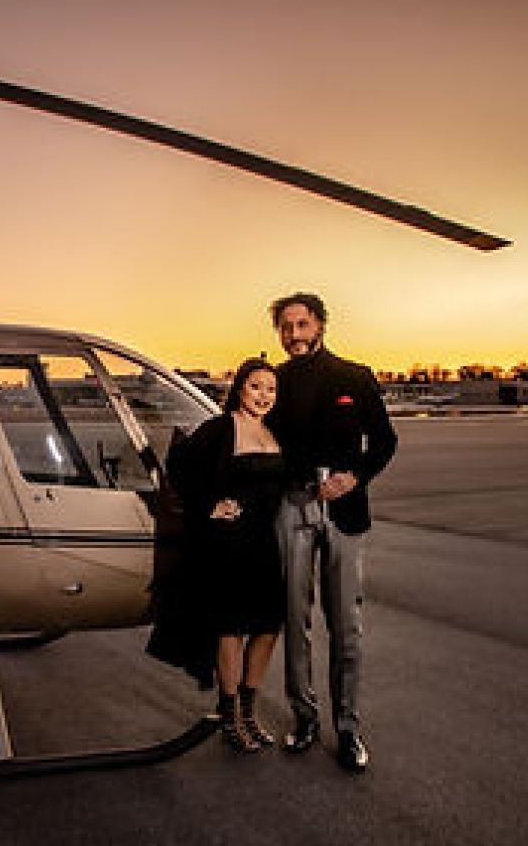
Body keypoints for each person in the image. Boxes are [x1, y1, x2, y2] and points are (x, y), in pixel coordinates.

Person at [266, 292, 397, 773]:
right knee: (294, 619)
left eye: (301, 325)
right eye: (285, 327)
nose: (293, 335)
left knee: (346, 626)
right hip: (293, 506)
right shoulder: (272, 383)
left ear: (320, 325)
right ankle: (304, 719)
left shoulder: (354, 377)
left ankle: (348, 729)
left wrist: (355, 476)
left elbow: (385, 440)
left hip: (344, 510)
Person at [148, 357, 287, 752]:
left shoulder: (272, 431)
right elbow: (178, 464)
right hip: (228, 545)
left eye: (271, 389)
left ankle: (248, 711)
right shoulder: (221, 428)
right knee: (232, 629)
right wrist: (209, 503)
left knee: (267, 627)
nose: (264, 396)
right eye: (256, 387)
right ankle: (229, 717)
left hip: (264, 544)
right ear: (240, 388)